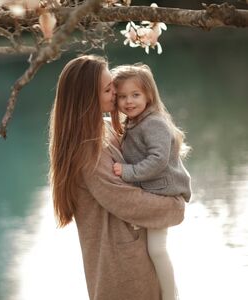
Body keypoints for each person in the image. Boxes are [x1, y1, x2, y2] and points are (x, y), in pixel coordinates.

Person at [48, 55, 185, 300]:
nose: (117, 93)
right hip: (121, 270)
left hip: (134, 259)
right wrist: (175, 206)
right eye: (109, 89)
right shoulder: (88, 153)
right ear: (88, 97)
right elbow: (128, 201)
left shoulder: (105, 129)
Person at [111, 63, 191, 300]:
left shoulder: (154, 122)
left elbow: (158, 160)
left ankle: (170, 297)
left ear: (149, 95)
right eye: (123, 96)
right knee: (149, 250)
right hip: (153, 191)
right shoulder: (134, 122)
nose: (129, 101)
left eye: (135, 95)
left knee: (156, 249)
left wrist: (128, 172)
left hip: (164, 193)